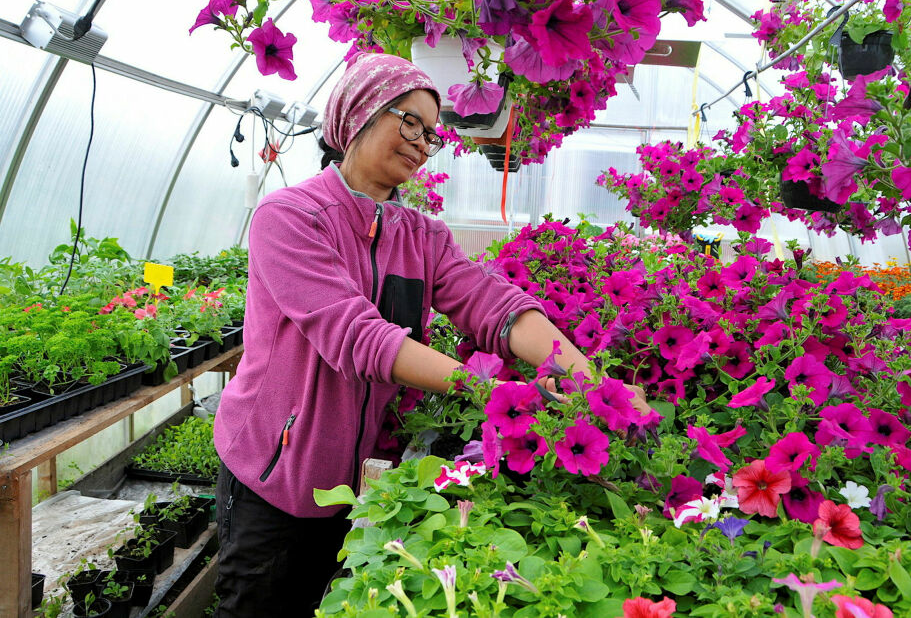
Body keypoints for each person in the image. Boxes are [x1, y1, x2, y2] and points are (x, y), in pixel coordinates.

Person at [211, 52, 648, 618]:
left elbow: (494, 306)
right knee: (259, 606)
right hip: (274, 475)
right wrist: (490, 394)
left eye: (432, 134)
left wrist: (592, 381)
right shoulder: (290, 217)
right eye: (408, 121)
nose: (421, 142)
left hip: (362, 475)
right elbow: (356, 337)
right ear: (359, 114)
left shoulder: (422, 235)